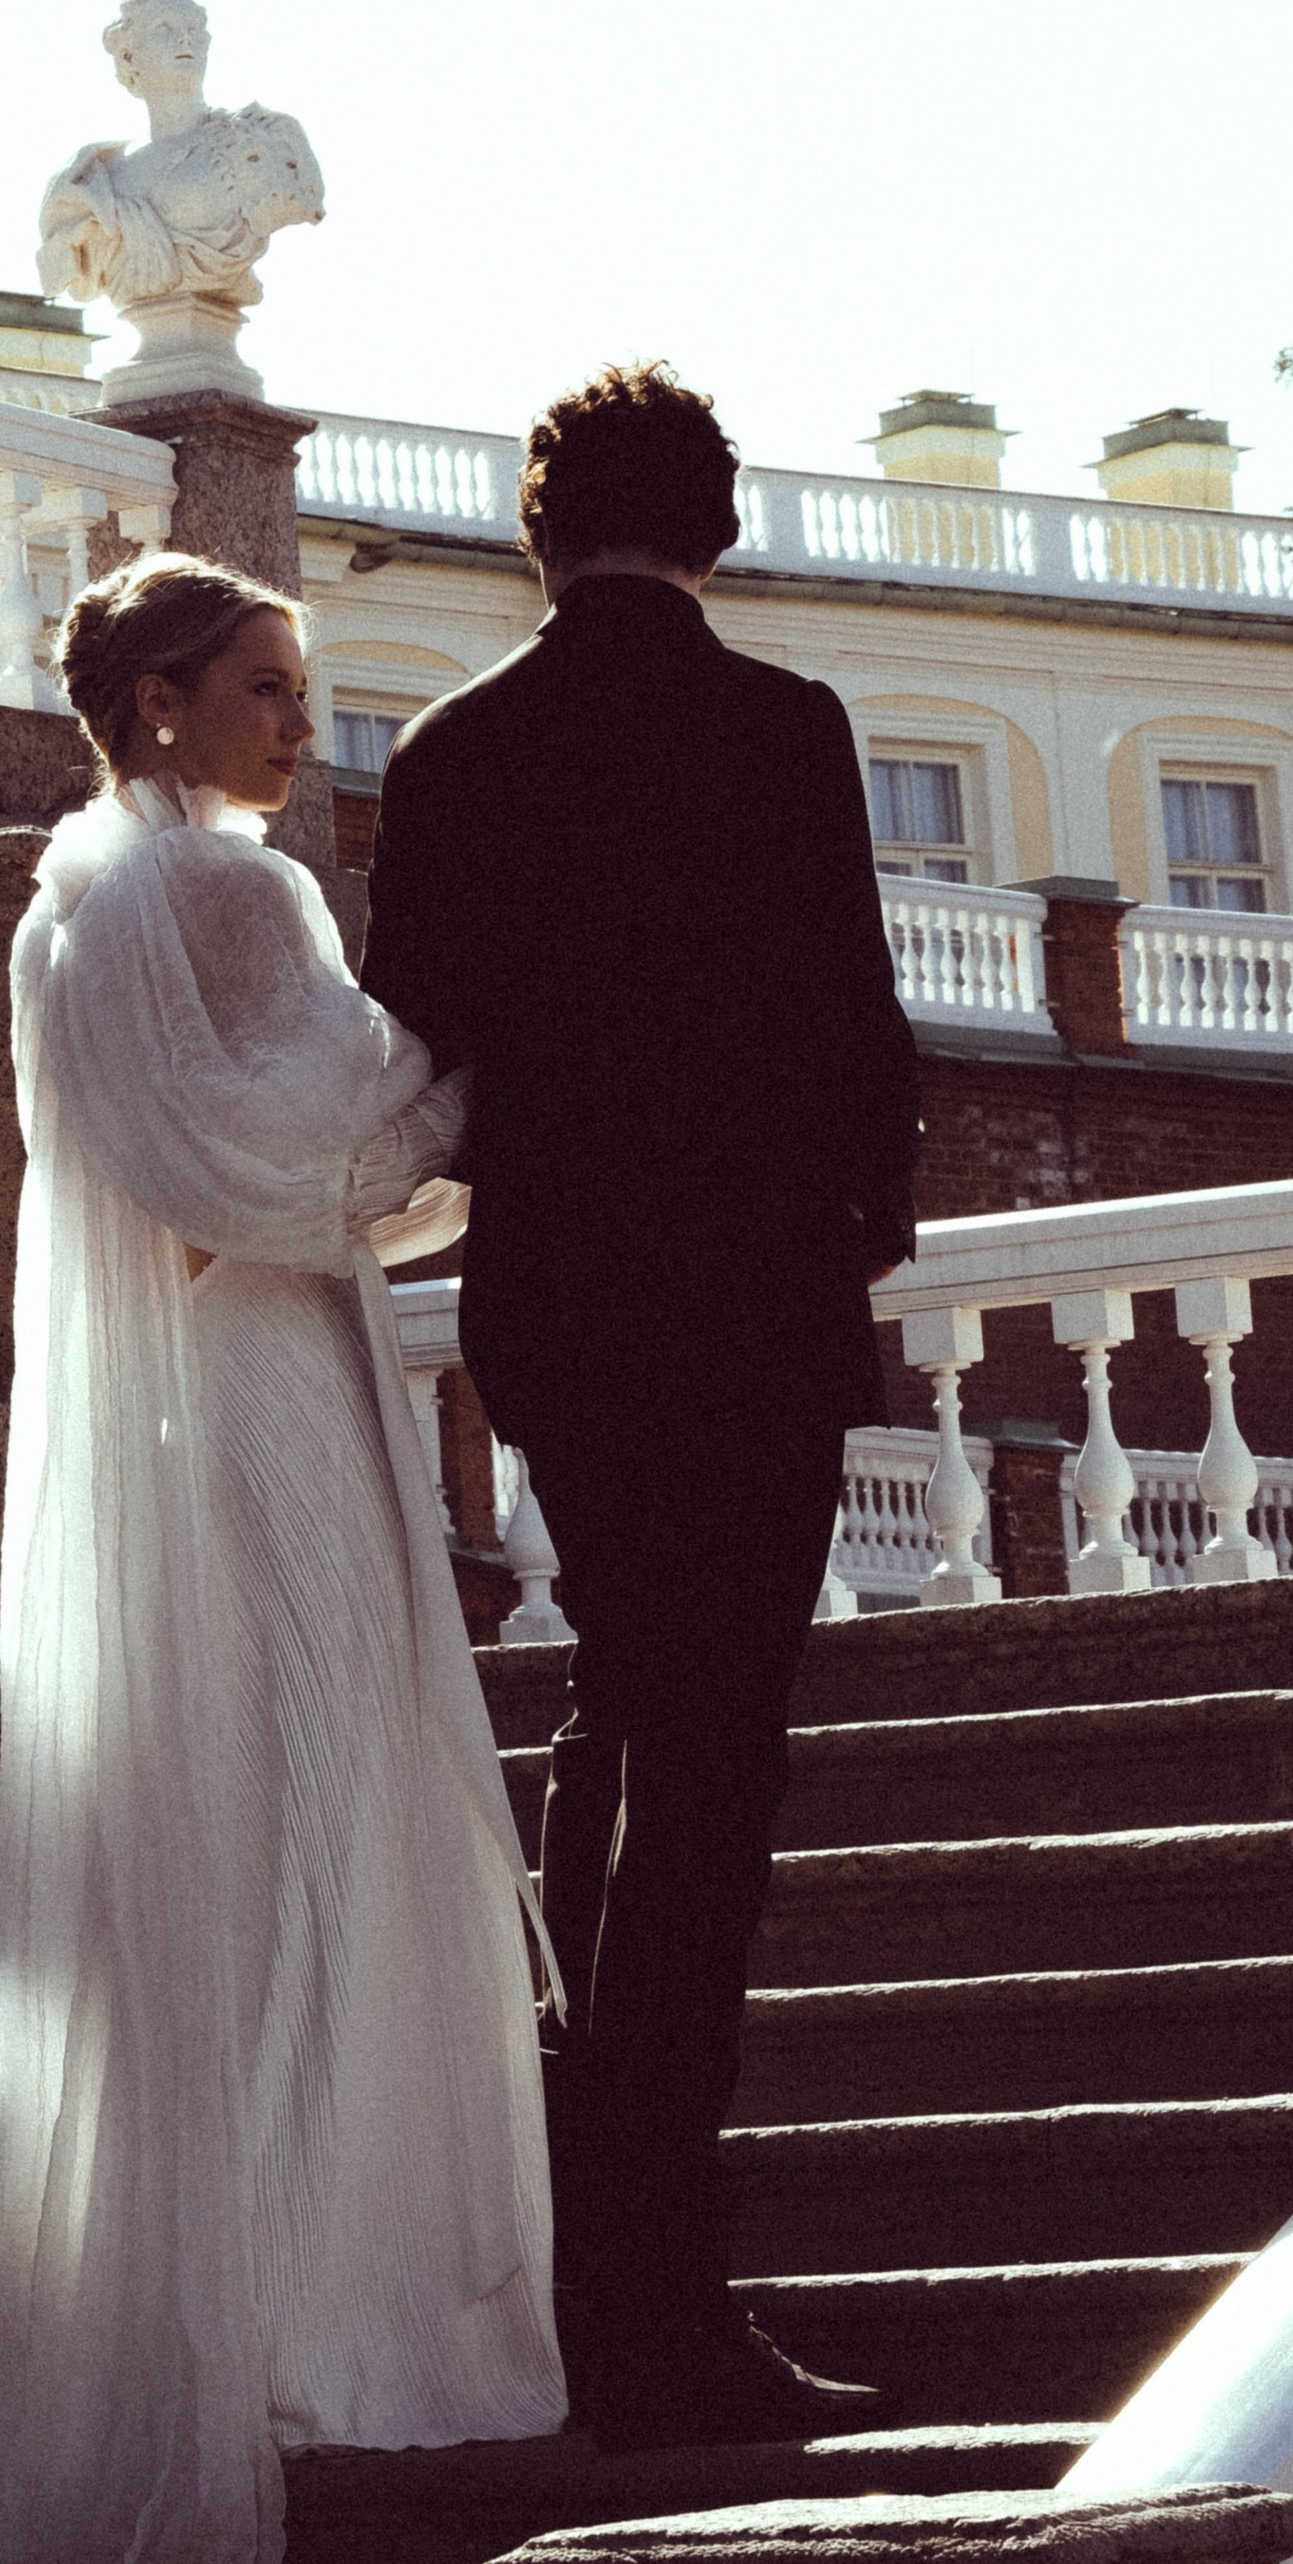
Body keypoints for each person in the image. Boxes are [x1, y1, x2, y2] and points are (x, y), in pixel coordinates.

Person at [0, 556, 564, 2564]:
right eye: (268, 688)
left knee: (239, 1842)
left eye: (302, 688)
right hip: (271, 1390)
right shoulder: (218, 895)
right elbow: (300, 1145)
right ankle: (334, 2319)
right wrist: (483, 1071)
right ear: (162, 700)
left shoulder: (70, 896)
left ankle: (251, 2305)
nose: (304, 727)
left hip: (194, 1405)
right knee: (325, 1821)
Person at [360, 364, 923, 2453]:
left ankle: (607, 2230)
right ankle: (641, 2280)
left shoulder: (450, 750)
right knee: (709, 1763)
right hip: (758, 1306)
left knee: (627, 1708)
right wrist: (851, 1226)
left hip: (570, 1310)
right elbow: (855, 1019)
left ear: (534, 528)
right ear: (713, 525)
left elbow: (426, 1040)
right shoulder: (783, 727)